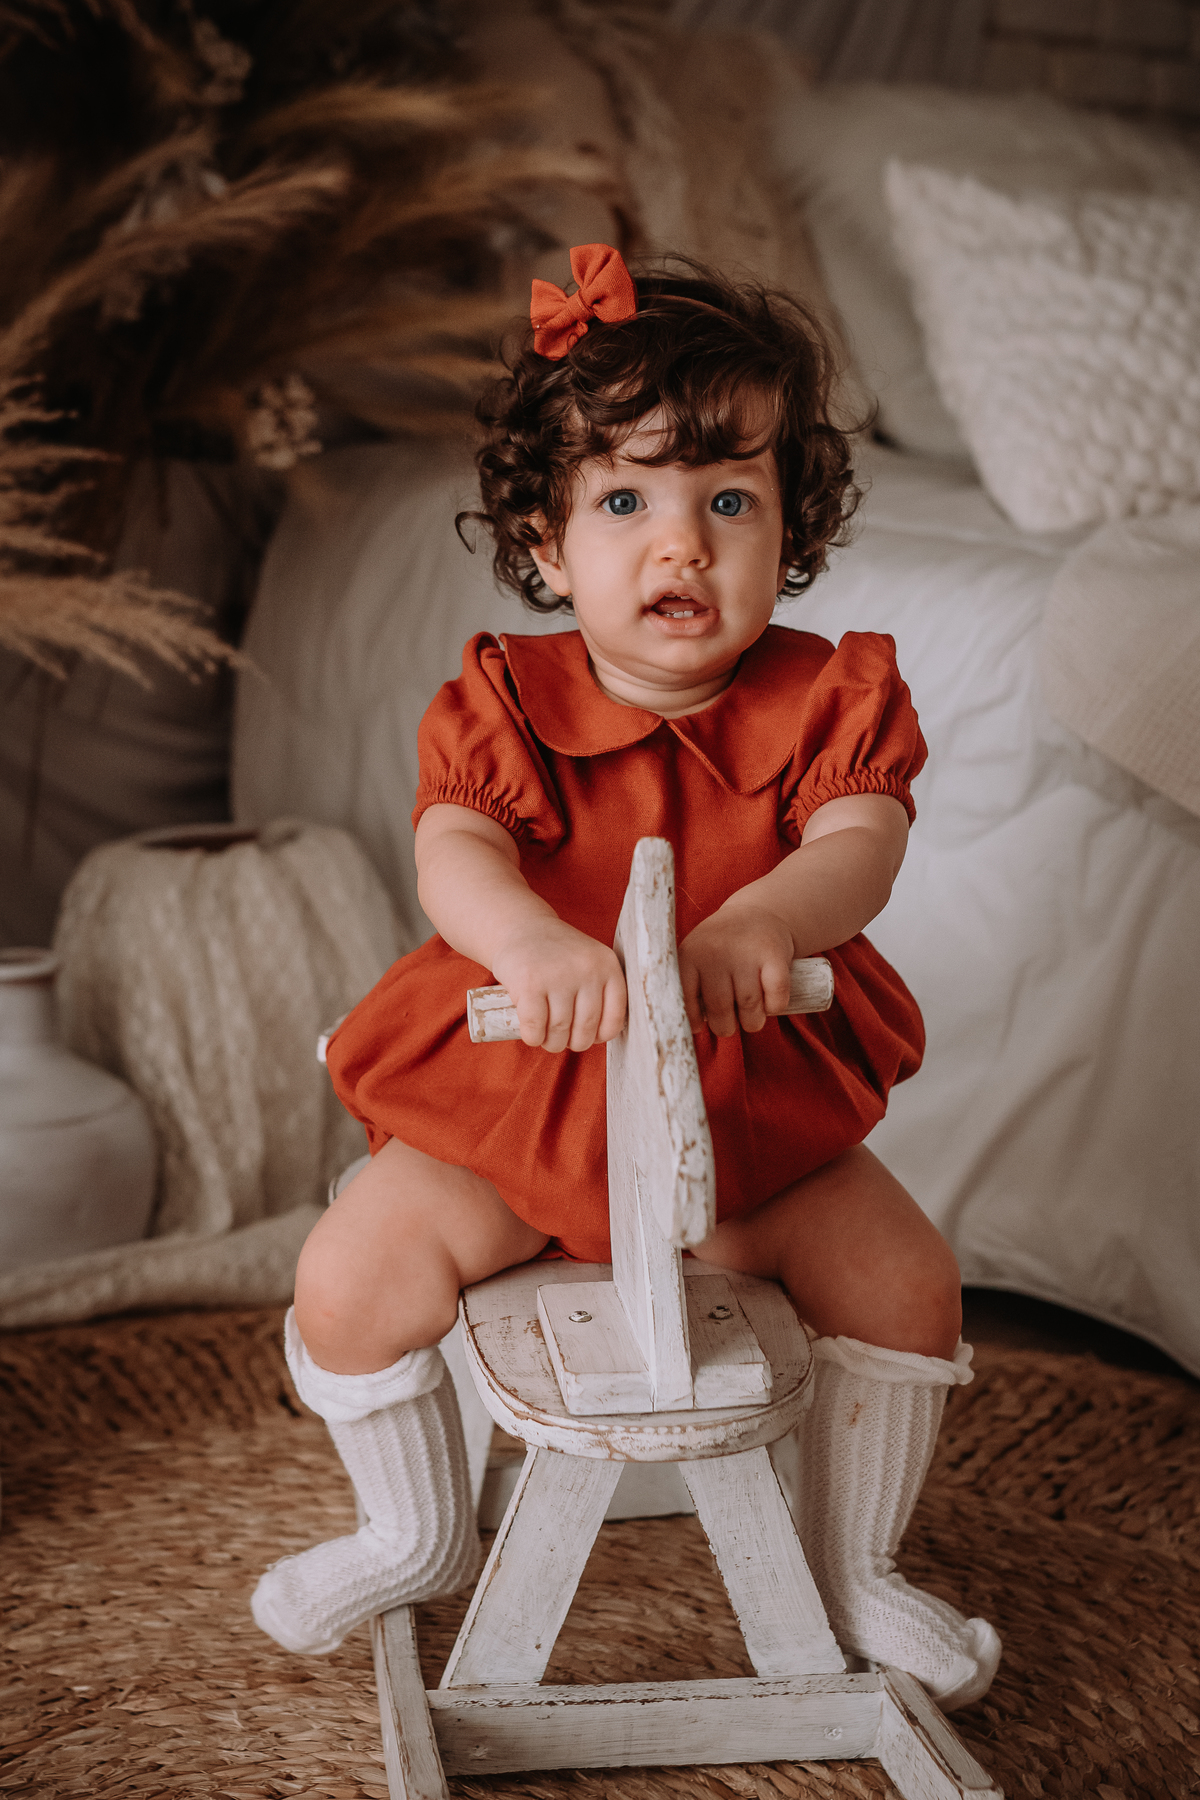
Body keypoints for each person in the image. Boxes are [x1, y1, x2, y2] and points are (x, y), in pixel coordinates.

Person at [251, 245, 1001, 1709]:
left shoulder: (832, 697)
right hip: (522, 1094)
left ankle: (858, 1566)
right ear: (545, 544)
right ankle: (409, 1534)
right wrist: (530, 942)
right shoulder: (505, 698)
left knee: (908, 1282)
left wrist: (768, 922)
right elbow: (455, 850)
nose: (683, 548)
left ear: (792, 526)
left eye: (729, 501)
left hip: (740, 1113)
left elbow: (862, 844)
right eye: (625, 502)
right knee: (348, 1274)